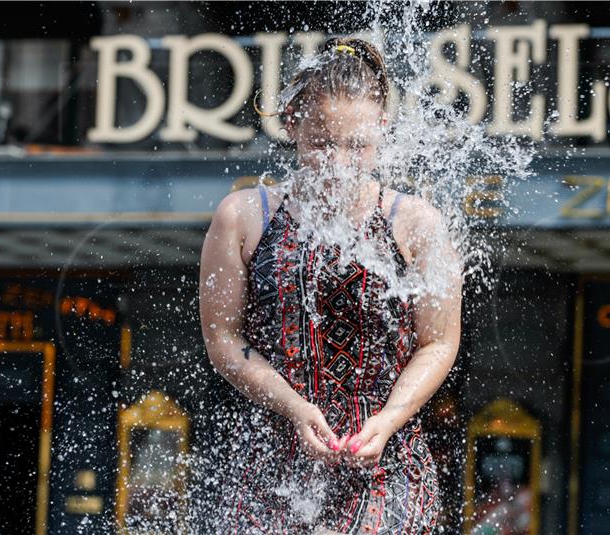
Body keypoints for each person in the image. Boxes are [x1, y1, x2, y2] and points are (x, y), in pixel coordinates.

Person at [199, 36, 462, 534]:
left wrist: (389, 419)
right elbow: (224, 341)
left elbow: (439, 341)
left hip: (387, 464)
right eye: (322, 143)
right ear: (292, 124)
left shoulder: (416, 223)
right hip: (275, 461)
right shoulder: (244, 217)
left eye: (357, 145)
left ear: (382, 129)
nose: (339, 162)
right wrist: (295, 408)